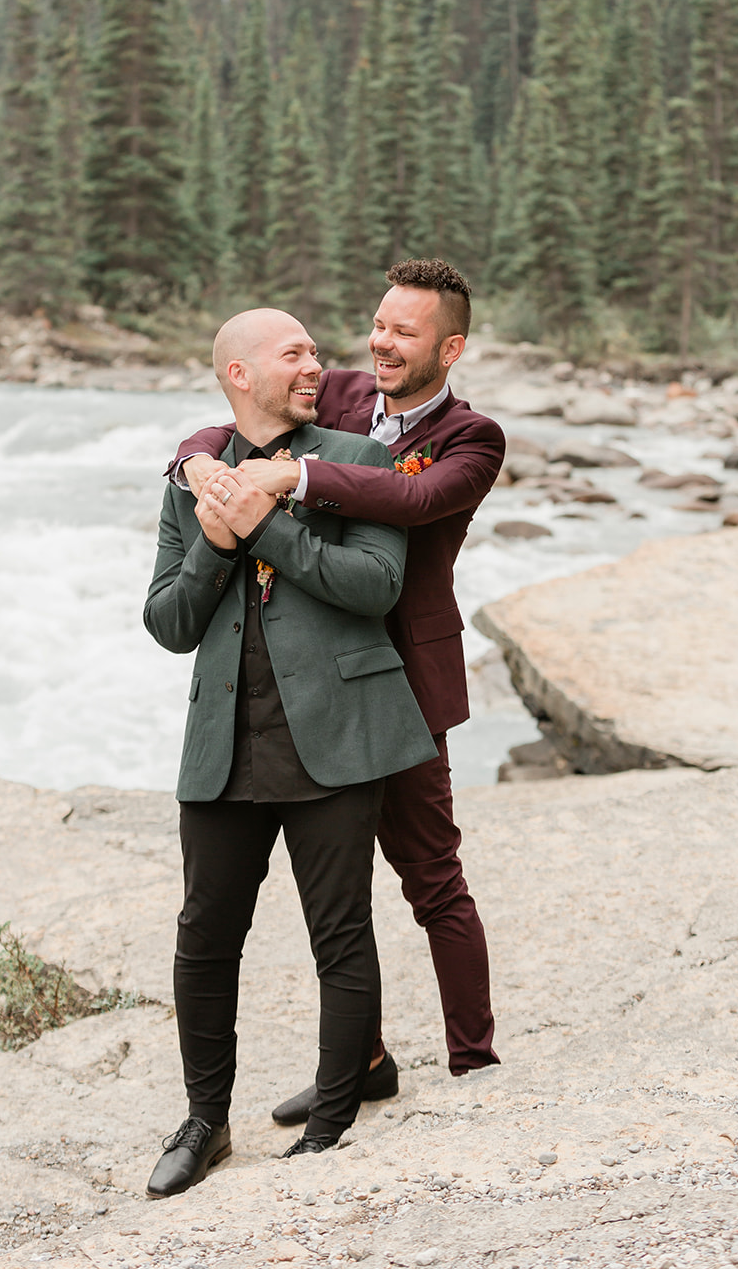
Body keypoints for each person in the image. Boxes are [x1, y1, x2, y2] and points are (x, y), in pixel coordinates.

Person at [172, 258, 507, 1123]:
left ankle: (475, 1063)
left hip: (403, 665)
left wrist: (297, 478)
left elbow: (411, 493)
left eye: (404, 332)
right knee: (335, 895)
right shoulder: (345, 394)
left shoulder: (474, 440)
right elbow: (226, 429)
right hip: (310, 668)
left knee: (429, 872)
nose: (380, 343)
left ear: (451, 347)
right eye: (379, 325)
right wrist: (192, 467)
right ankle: (361, 1063)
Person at [143, 307, 436, 1199]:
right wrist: (217, 539)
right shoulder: (189, 480)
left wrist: (266, 522)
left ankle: (334, 1116)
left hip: (337, 736)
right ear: (239, 374)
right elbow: (168, 622)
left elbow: (374, 585)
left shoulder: (355, 461)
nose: (317, 364)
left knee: (339, 931)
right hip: (226, 744)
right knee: (203, 938)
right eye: (294, 353)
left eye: (315, 351)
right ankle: (205, 1121)